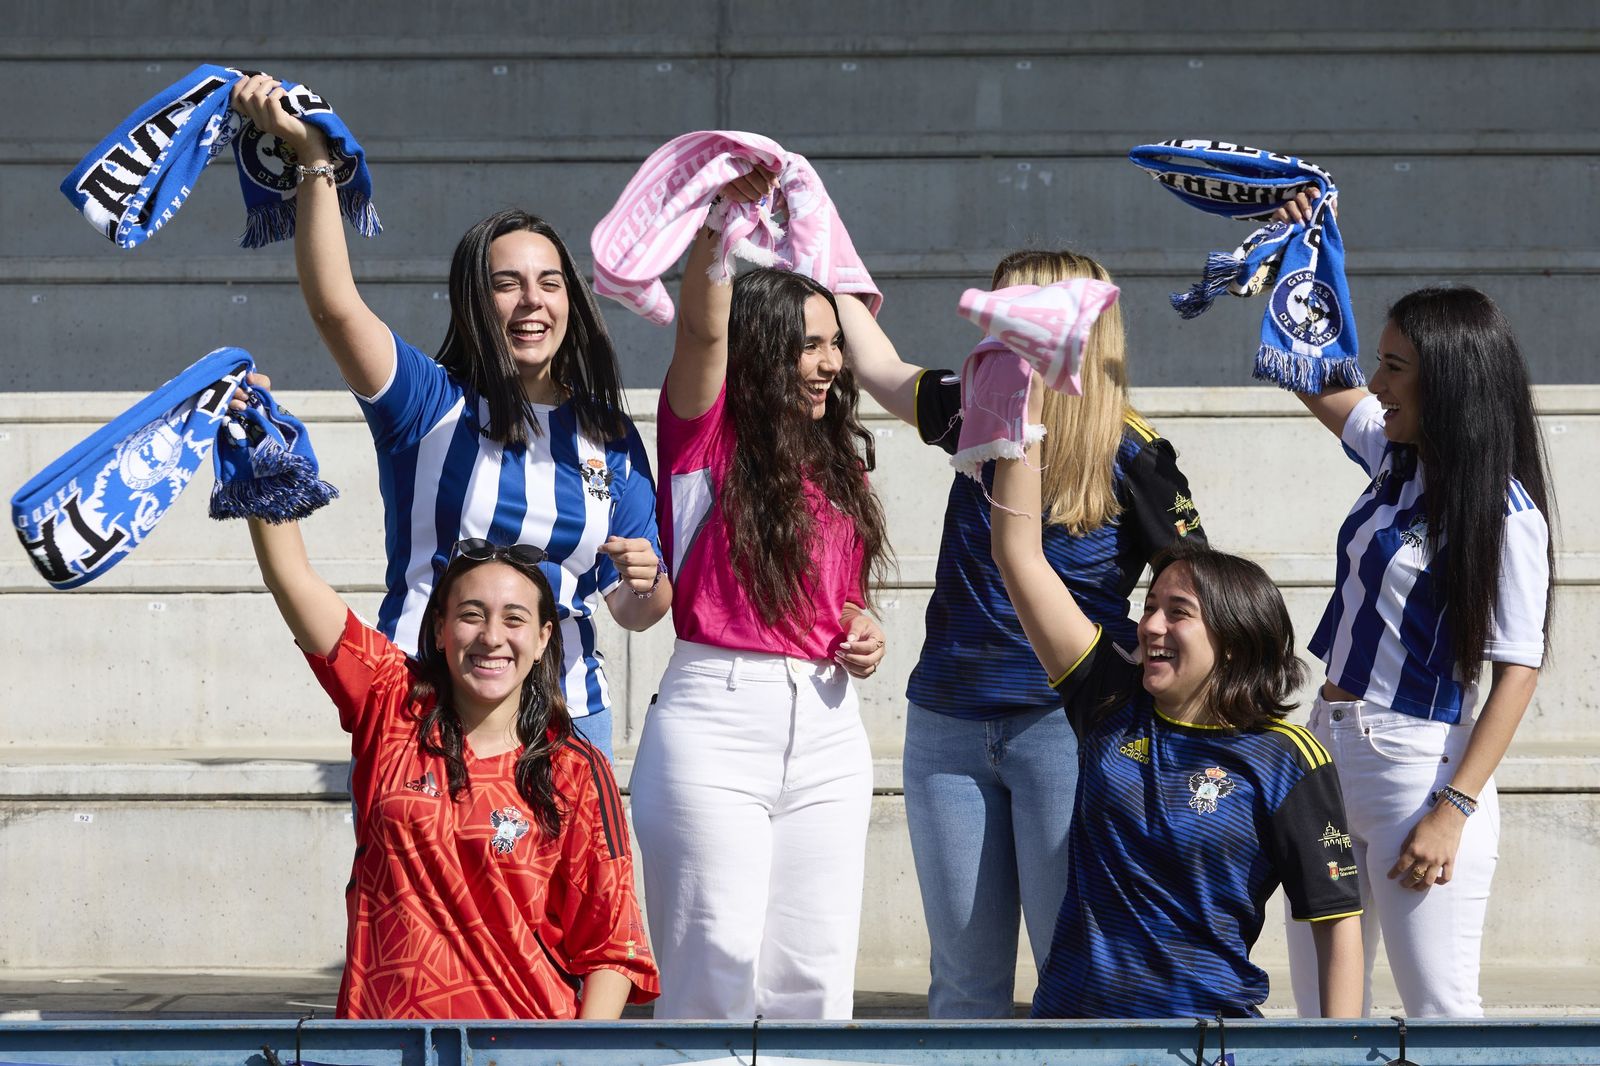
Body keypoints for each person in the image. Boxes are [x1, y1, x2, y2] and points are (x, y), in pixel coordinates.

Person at [230, 75, 668, 760]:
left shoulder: (608, 433)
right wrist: (315, 159)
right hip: (424, 712)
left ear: (572, 303)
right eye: (507, 283)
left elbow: (634, 610)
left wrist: (651, 583)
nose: (533, 301)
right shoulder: (429, 403)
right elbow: (335, 306)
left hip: (570, 724)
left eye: (550, 283)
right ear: (473, 301)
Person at [837, 250, 1205, 1016]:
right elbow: (874, 366)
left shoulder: (1136, 453)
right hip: (945, 726)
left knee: (1071, 976)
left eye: (1017, 319)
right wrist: (817, 244)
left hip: (1065, 734)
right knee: (963, 986)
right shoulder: (974, 405)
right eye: (992, 319)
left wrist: (1142, 665)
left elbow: (1203, 593)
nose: (994, 338)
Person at [986, 375, 1363, 1018]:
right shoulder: (1108, 699)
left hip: (1201, 1038)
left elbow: (1336, 920)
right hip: (1071, 1034)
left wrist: (1339, 1055)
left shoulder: (1287, 758)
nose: (1151, 626)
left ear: (1237, 642)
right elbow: (1019, 554)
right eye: (1149, 606)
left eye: (1177, 613)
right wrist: (1023, 395)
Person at [1270, 193, 1555, 1019]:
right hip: (1325, 752)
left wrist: (1453, 810)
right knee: (1325, 1012)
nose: (1375, 382)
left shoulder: (1506, 513)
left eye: (1394, 367)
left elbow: (1519, 671)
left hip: (1415, 766)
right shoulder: (1394, 455)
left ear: (1449, 380)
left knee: (1440, 1010)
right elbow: (1315, 372)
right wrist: (1308, 247)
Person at [627, 170, 891, 1020]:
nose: (831, 361)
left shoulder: (839, 459)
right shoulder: (704, 427)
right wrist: (720, 227)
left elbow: (839, 600)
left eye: (833, 343)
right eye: (810, 344)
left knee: (815, 986)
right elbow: (704, 333)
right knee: (711, 979)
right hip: (715, 720)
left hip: (828, 725)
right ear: (763, 348)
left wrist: (864, 628)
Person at [247, 509, 658, 1018]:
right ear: (440, 629)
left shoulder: (574, 767)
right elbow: (292, 578)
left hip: (519, 1049)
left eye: (514, 618)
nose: (491, 636)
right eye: (471, 615)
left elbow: (611, 948)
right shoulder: (391, 703)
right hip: (383, 1046)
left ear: (544, 638)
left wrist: (573, 1059)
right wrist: (263, 468)